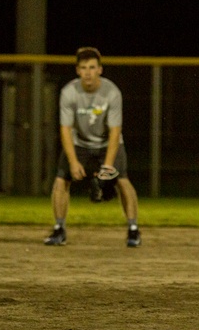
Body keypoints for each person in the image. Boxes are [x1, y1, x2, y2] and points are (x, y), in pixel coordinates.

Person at [44, 47, 141, 247]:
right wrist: (72, 162)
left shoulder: (111, 92)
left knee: (122, 180)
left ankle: (133, 230)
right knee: (61, 180)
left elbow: (115, 131)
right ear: (77, 71)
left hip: (108, 143)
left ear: (100, 70)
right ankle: (59, 229)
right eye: (83, 68)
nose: (88, 72)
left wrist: (106, 168)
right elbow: (65, 129)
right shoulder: (69, 92)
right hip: (79, 142)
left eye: (92, 67)